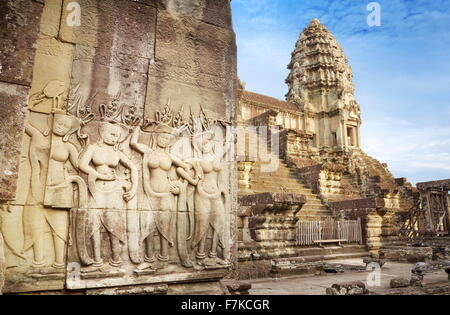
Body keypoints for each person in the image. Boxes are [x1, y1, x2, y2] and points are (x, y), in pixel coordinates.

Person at [79, 121, 138, 269]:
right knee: (94, 222)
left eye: (117, 136)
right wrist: (98, 175)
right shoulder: (93, 148)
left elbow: (133, 167)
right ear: (103, 133)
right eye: (112, 134)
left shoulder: (117, 152)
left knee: (115, 224)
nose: (114, 138)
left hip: (114, 189)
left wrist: (134, 188)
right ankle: (97, 259)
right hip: (95, 188)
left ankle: (116, 258)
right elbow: (82, 164)